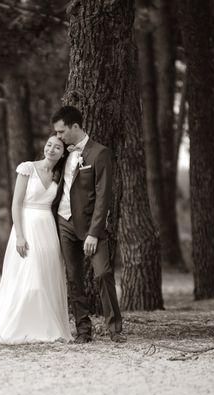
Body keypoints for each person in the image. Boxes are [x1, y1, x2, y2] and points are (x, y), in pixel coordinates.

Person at [0, 135, 73, 347]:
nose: (51, 149)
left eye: (57, 147)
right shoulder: (27, 169)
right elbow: (15, 204)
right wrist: (20, 235)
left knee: (47, 275)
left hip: (47, 229)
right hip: (27, 225)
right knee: (29, 275)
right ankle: (20, 325)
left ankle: (48, 326)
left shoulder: (60, 176)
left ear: (62, 153)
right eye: (49, 145)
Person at [51, 106, 125, 343]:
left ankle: (115, 329)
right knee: (74, 279)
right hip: (64, 223)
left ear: (75, 126)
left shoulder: (99, 153)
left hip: (91, 227)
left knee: (103, 273)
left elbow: (104, 196)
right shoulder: (63, 153)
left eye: (62, 131)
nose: (59, 136)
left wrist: (94, 233)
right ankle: (83, 331)